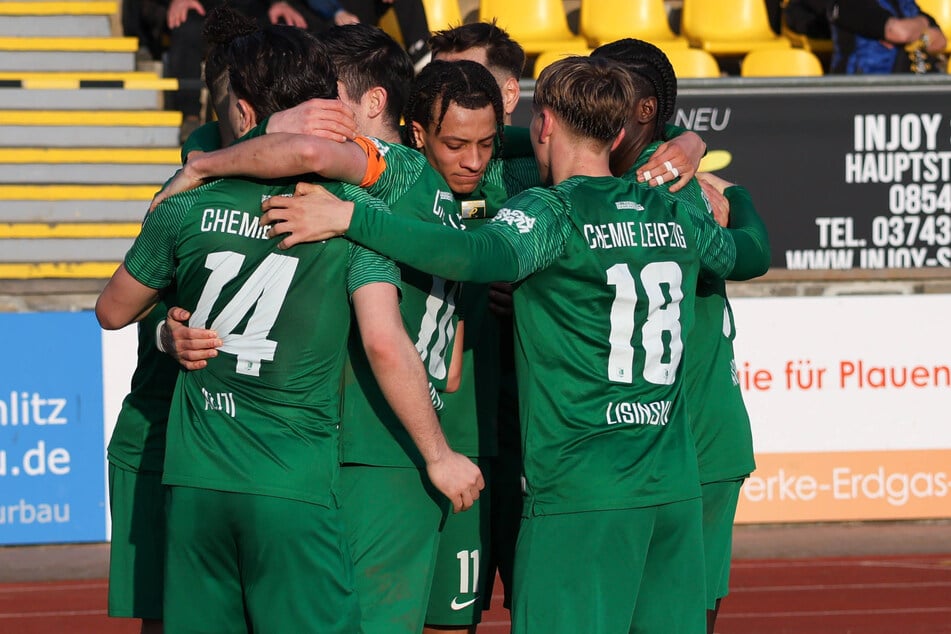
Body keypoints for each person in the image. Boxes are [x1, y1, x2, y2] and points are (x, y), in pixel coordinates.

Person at [257, 54, 764, 633]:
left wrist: (352, 219)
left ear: (543, 125)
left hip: (584, 489)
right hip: (674, 486)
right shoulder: (677, 208)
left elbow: (474, 255)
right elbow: (751, 253)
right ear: (619, 130)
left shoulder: (552, 212)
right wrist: (740, 192)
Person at [96, 20, 481, 633]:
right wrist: (438, 455)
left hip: (197, 473)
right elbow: (384, 340)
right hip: (293, 479)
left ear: (245, 110)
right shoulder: (352, 215)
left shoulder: (189, 203)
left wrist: (195, 173)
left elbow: (112, 311)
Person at [591, 37, 771, 634]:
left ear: (644, 110)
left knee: (685, 609)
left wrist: (732, 190)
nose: (589, 98)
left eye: (606, 85)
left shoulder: (679, 190)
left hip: (700, 437)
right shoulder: (598, 174)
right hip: (642, 436)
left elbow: (748, 256)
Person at [163, 0, 308, 142]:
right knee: (186, 27)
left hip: (252, 9)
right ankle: (191, 117)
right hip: (203, 10)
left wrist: (280, 2)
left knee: (287, 33)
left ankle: (282, 112)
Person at [829, 0, 947, 73]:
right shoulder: (848, 3)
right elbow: (899, 33)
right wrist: (922, 27)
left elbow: (940, 41)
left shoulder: (906, 3)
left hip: (914, 88)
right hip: (867, 90)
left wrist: (919, 36)